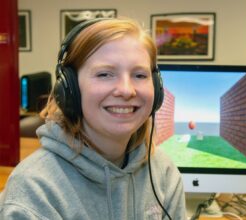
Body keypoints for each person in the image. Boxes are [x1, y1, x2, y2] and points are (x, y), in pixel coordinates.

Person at [0, 18, 187, 220]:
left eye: (139, 75)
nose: (126, 90)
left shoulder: (163, 173)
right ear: (69, 89)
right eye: (105, 74)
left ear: (157, 89)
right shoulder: (35, 192)